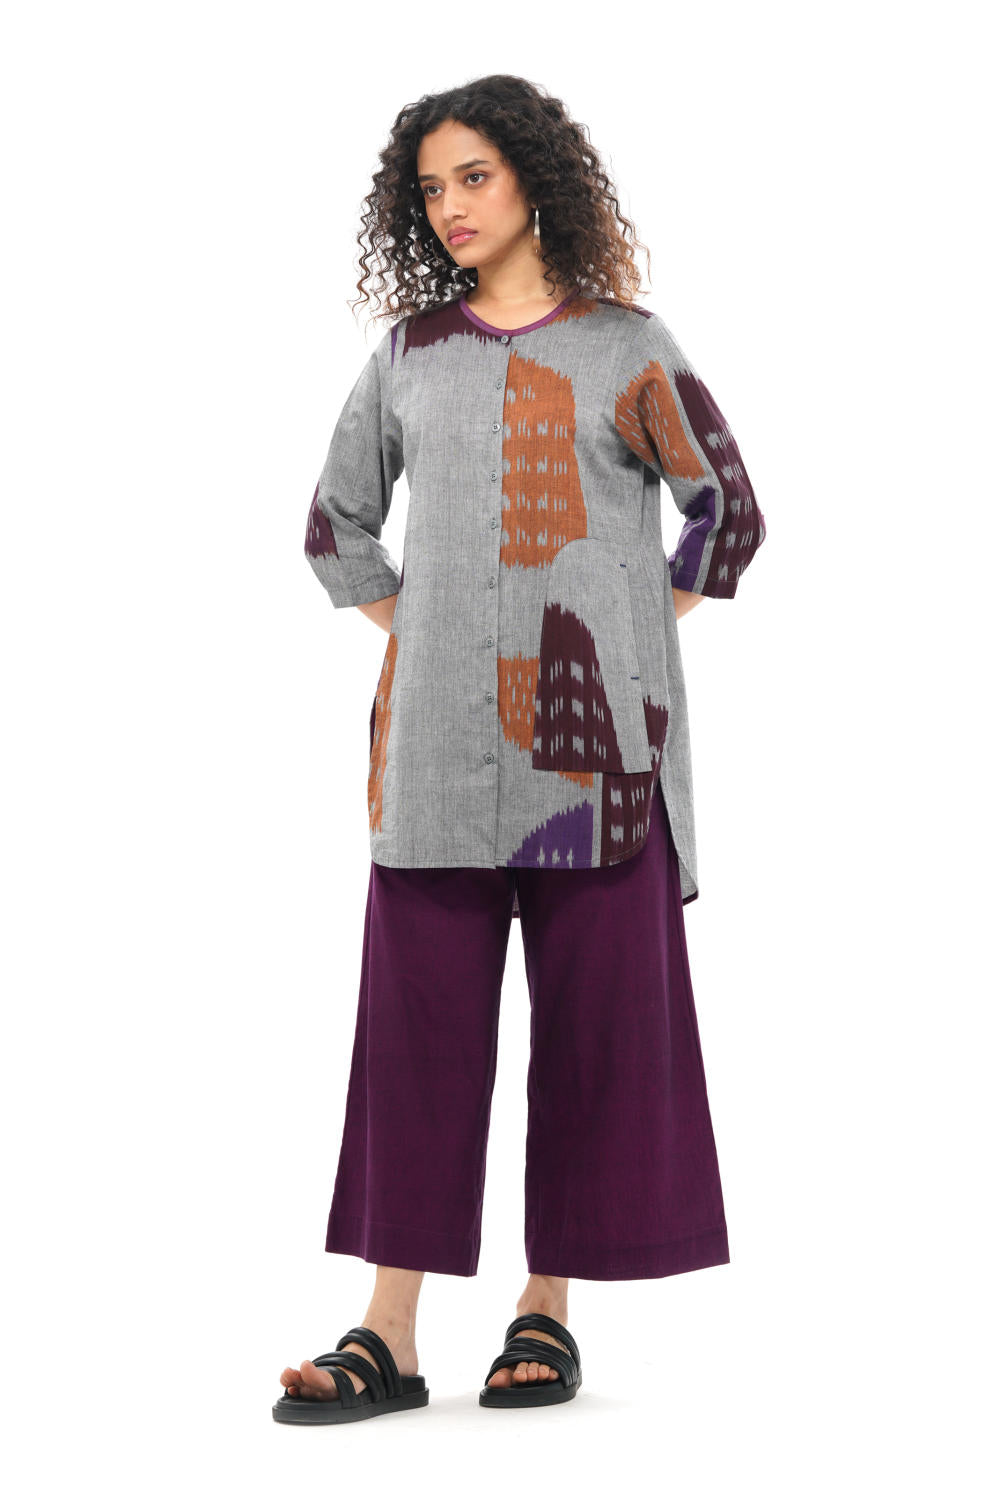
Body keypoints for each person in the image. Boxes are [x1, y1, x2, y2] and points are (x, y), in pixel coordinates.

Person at [275, 73, 766, 1425]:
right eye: (430, 188)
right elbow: (334, 524)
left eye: (473, 176)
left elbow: (727, 511)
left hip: (596, 772)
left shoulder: (627, 347)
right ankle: (388, 1333)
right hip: (433, 760)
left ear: (534, 178)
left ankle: (545, 1314)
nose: (450, 207)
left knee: (595, 1039)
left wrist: (631, 631)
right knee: (414, 1043)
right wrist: (421, 627)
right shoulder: (408, 357)